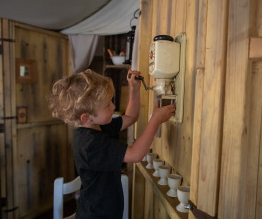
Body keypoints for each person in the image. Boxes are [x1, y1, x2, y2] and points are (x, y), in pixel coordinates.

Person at [47, 69, 175, 218]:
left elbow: (131, 117)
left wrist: (134, 88)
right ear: (86, 118)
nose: (113, 107)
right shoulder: (90, 144)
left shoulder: (96, 126)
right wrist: (155, 121)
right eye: (108, 105)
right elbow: (135, 155)